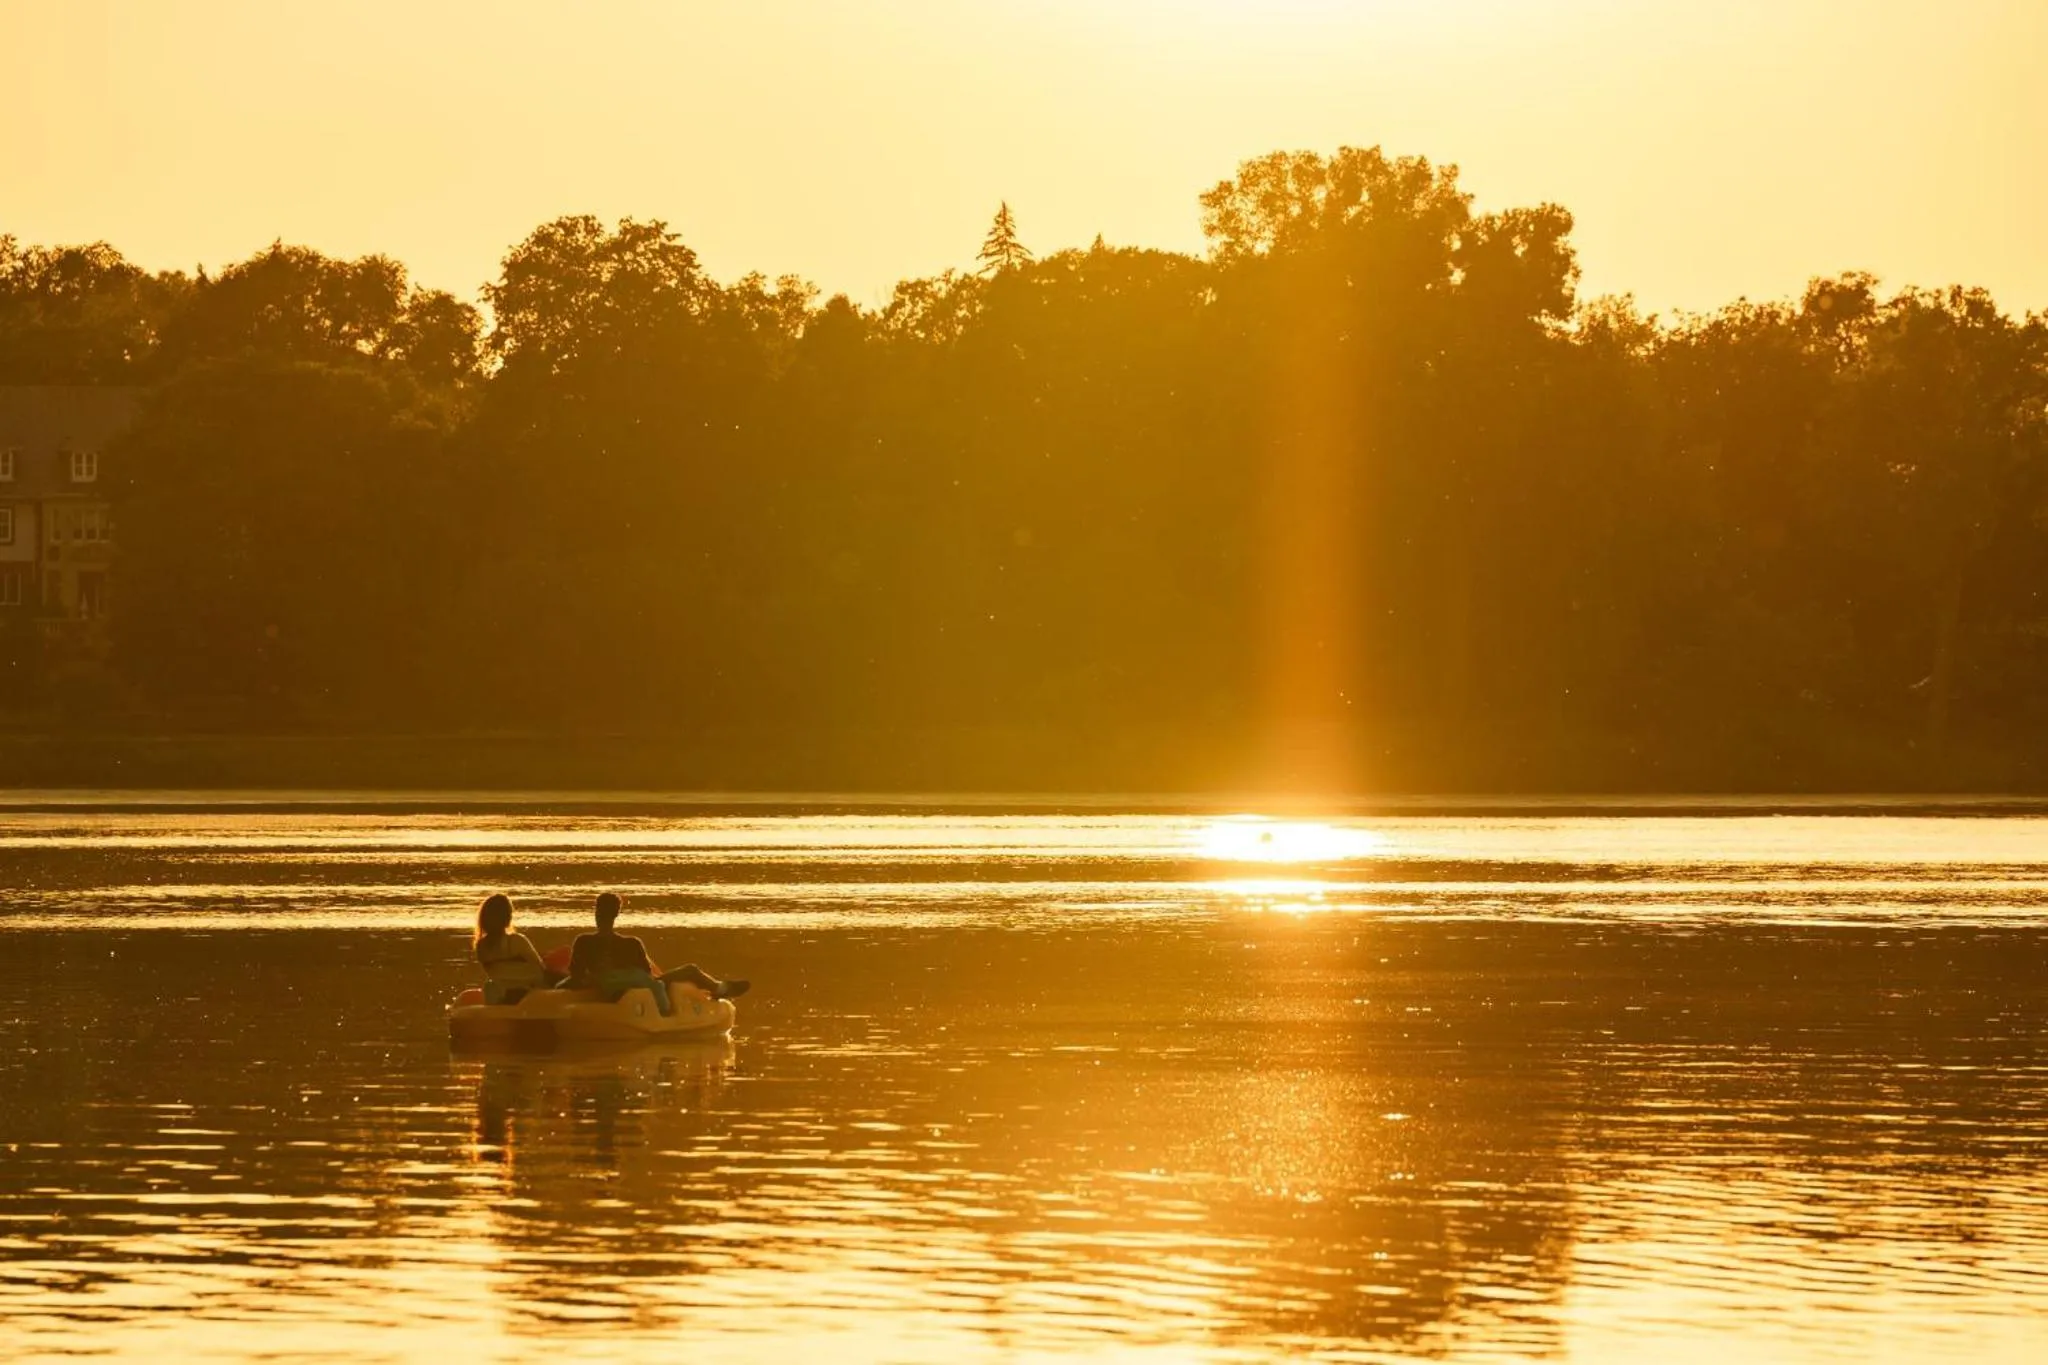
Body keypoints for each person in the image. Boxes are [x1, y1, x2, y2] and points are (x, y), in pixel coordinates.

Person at [565, 891, 750, 1015]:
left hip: (624, 987)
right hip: (634, 990)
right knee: (690, 970)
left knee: (676, 975)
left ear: (596, 912)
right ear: (616, 914)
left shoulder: (584, 941)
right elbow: (648, 976)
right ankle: (719, 989)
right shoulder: (630, 943)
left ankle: (719, 988)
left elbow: (576, 975)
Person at [473, 893, 554, 1004]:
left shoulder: (481, 946)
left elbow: (494, 973)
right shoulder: (517, 941)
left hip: (501, 989)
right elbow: (540, 970)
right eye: (510, 913)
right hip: (527, 991)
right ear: (506, 917)